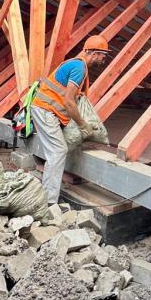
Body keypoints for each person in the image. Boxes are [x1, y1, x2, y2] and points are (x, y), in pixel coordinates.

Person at [30, 35, 110, 204]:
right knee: (58, 152)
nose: (104, 59)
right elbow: (68, 101)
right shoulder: (79, 67)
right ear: (94, 53)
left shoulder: (76, 64)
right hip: (45, 111)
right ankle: (49, 201)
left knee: (56, 151)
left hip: (44, 109)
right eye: (103, 55)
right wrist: (83, 125)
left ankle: (47, 193)